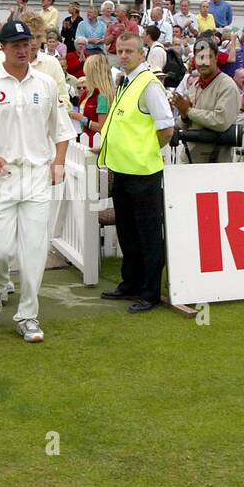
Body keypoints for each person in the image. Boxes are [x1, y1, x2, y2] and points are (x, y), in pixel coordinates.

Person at [0, 20, 75, 343]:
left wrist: (58, 163)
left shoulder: (46, 84)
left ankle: (28, 315)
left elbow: (62, 129)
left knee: (34, 251)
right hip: (4, 176)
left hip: (38, 177)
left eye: (27, 43)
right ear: (4, 47)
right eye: (16, 44)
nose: (23, 49)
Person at [99, 32, 173, 313]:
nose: (124, 55)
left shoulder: (148, 85)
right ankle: (130, 283)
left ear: (142, 54)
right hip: (122, 170)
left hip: (143, 172)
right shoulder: (126, 83)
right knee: (127, 232)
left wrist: (145, 151)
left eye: (130, 50)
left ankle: (150, 291)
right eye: (121, 50)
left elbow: (166, 129)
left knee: (148, 234)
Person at [170, 38, 240, 164]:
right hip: (190, 158)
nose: (203, 63)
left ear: (217, 57)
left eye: (208, 57)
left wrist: (188, 111)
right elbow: (189, 120)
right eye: (199, 57)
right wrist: (184, 117)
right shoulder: (195, 85)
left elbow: (221, 121)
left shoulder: (227, 85)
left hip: (215, 163)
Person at [69, 53, 114, 143]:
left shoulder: (102, 96)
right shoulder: (89, 92)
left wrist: (81, 118)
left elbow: (102, 127)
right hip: (83, 139)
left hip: (94, 142)